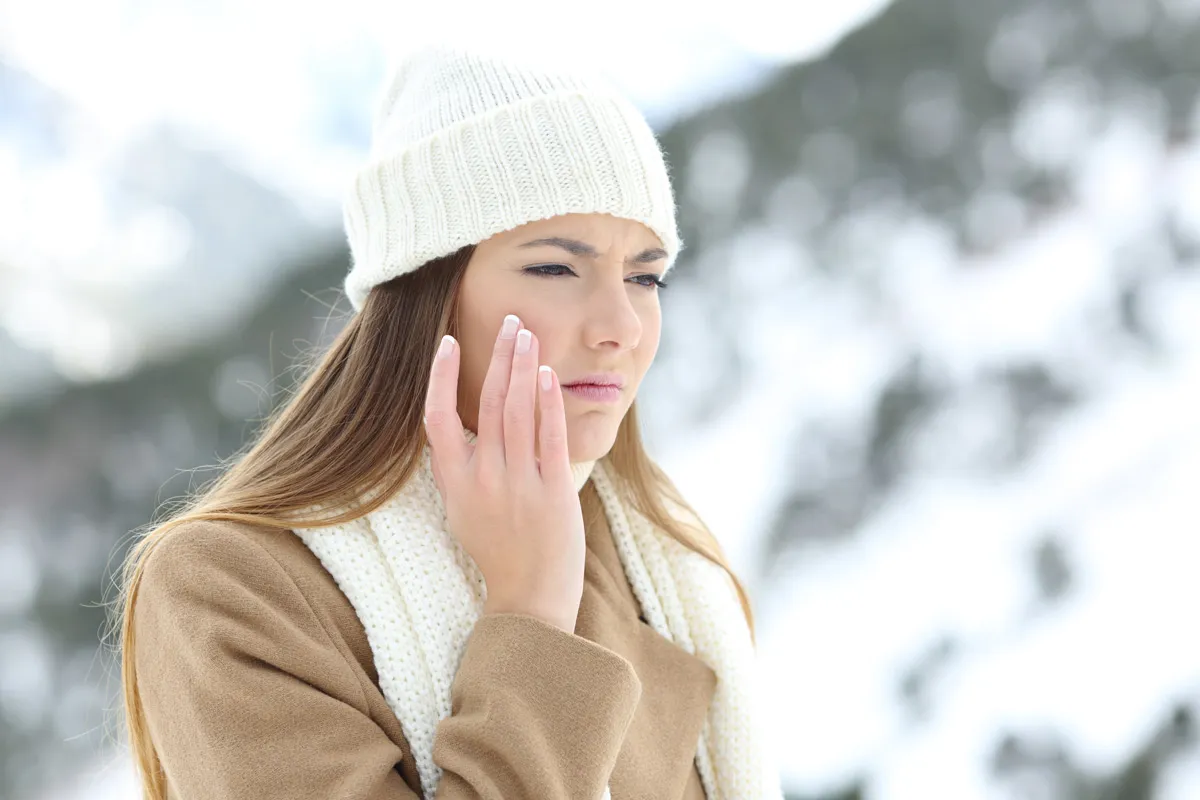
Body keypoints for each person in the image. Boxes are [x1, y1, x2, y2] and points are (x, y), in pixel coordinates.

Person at [112, 42, 783, 800]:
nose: (621, 325)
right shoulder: (233, 588)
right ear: (425, 292)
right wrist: (529, 614)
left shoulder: (658, 564)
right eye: (556, 268)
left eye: (645, 276)